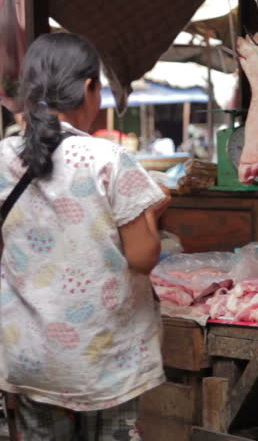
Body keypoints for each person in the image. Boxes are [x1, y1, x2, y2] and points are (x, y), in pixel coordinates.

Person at [0, 33, 170, 439]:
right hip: (104, 360)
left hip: (29, 355)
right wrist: (151, 211)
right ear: (90, 87)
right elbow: (143, 257)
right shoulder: (108, 159)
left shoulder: (3, 157)